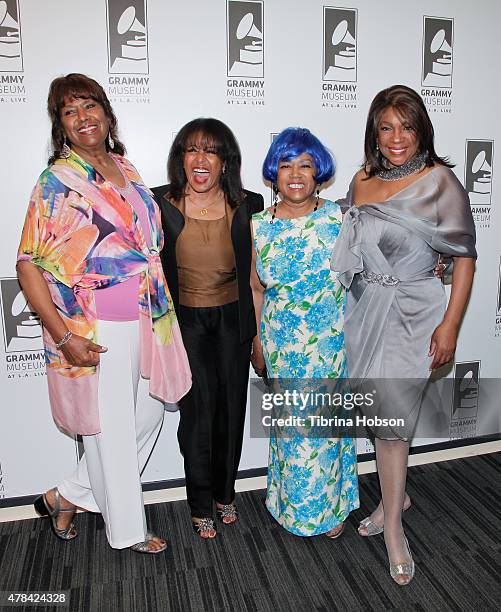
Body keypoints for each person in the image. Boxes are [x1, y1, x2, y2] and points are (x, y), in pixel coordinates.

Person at [17, 73, 191, 553]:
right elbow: (28, 265)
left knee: (151, 413)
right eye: (69, 112)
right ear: (61, 128)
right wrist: (62, 334)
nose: (82, 117)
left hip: (150, 312)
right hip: (96, 321)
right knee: (108, 428)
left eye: (89, 105)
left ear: (107, 113)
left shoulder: (125, 167)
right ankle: (128, 530)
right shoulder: (57, 181)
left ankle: (67, 494)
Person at [330, 84, 476, 584]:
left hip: (415, 311)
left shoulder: (440, 181)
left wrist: (450, 325)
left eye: (407, 127)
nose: (397, 138)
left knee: (392, 428)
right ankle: (399, 495)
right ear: (374, 131)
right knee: (377, 415)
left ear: (422, 130)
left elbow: (463, 257)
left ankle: (393, 525)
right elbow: (349, 242)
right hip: (364, 307)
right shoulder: (361, 180)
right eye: (386, 127)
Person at [152, 118, 264, 538]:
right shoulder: (158, 203)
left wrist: (256, 336)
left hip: (233, 321)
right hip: (186, 325)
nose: (201, 159)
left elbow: (256, 275)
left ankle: (225, 493)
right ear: (181, 158)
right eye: (192, 149)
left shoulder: (248, 203)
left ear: (224, 161)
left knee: (231, 412)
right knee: (197, 416)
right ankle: (200, 503)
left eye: (211, 151)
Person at [250, 128, 359, 538]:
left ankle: (331, 510)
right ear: (274, 173)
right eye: (286, 165)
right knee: (292, 432)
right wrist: (257, 341)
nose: (295, 174)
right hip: (281, 343)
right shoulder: (257, 225)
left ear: (319, 172)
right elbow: (256, 288)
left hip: (330, 341)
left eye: (306, 165)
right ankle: (290, 506)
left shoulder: (339, 218)